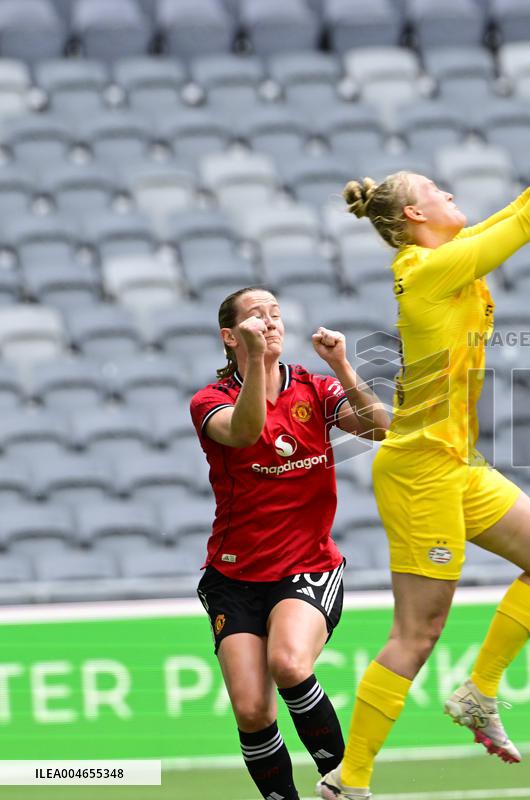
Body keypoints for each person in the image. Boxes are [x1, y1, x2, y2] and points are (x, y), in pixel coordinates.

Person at [316, 98, 530, 800]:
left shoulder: (446, 259)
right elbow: (524, 222)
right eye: (439, 190)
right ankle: (349, 780)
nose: (451, 193)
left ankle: (479, 692)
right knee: (417, 633)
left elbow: (515, 210)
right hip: (421, 470)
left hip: (458, 464)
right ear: (413, 219)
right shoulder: (425, 269)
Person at [190, 286, 390, 800]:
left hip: (307, 567)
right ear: (230, 337)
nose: (271, 322)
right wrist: (257, 362)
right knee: (252, 710)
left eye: (276, 314)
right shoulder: (209, 402)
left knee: (289, 664)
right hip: (233, 577)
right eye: (257, 317)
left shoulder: (316, 389)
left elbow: (381, 428)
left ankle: (348, 786)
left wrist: (344, 365)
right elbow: (246, 430)